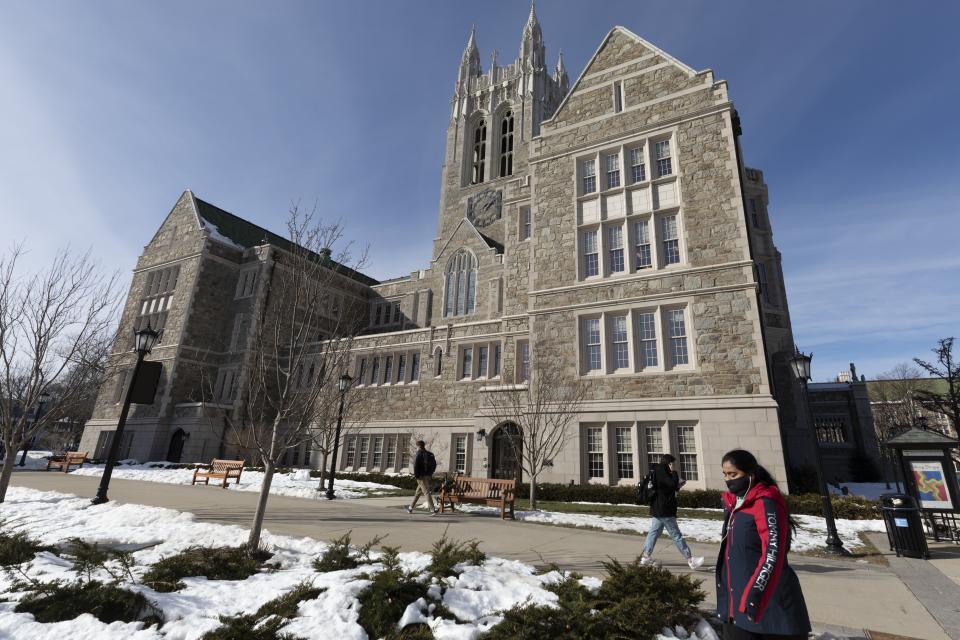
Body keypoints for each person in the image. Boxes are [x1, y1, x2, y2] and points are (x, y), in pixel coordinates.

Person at [717, 449, 811, 640]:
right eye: (725, 475)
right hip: (736, 604)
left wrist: (755, 595)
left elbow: (773, 552)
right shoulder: (732, 504)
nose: (728, 480)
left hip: (768, 603)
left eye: (733, 474)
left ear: (750, 474)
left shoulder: (765, 502)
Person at [641, 453, 704, 570]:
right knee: (676, 535)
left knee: (653, 533)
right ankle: (690, 559)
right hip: (665, 510)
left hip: (657, 509)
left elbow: (667, 488)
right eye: (673, 464)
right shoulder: (663, 472)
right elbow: (671, 484)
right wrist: (674, 474)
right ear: (669, 463)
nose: (674, 466)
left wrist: (677, 485)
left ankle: (646, 556)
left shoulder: (656, 471)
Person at [406, 440, 438, 515]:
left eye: (417, 447)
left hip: (421, 477)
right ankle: (410, 508)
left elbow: (415, 465)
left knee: (426, 492)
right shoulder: (430, 454)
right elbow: (434, 465)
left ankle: (432, 509)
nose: (416, 448)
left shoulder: (418, 454)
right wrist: (430, 473)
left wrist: (417, 476)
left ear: (418, 446)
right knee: (418, 492)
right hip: (428, 476)